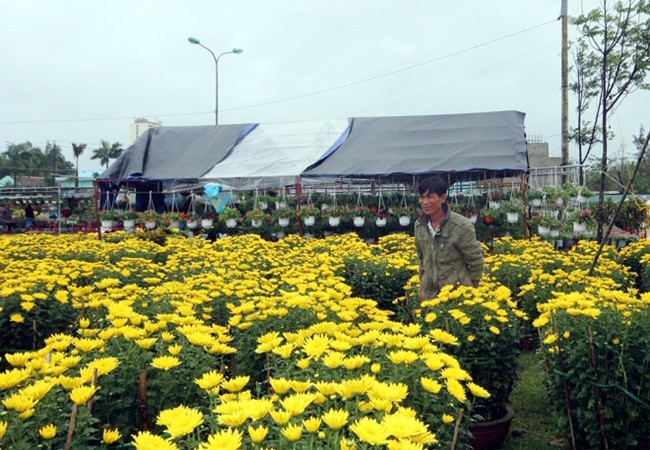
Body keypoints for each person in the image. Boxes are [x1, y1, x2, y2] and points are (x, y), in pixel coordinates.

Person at [414, 176, 484, 300]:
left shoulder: (461, 226)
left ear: (442, 198)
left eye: (430, 196)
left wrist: (470, 290)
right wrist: (421, 287)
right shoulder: (419, 225)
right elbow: (422, 259)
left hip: (456, 296)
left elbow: (476, 261)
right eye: (422, 197)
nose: (425, 202)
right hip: (429, 296)